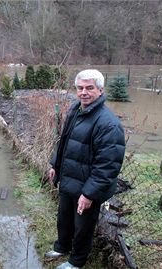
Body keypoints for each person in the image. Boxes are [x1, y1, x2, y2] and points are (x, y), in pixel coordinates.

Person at [46, 69, 126, 269]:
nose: (84, 92)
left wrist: (89, 194)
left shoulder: (108, 124)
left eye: (89, 88)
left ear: (100, 90)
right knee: (64, 217)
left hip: (88, 186)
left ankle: (76, 261)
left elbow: (107, 167)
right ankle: (62, 247)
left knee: (83, 226)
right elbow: (64, 142)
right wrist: (54, 164)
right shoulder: (76, 110)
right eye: (80, 88)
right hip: (69, 178)